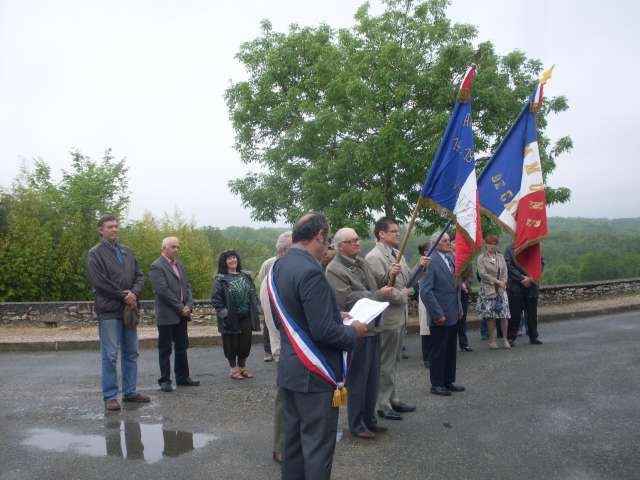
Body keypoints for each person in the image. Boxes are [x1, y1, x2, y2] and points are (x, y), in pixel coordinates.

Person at [269, 213, 366, 480]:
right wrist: (353, 331)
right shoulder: (312, 271)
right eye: (329, 238)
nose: (329, 245)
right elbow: (325, 333)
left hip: (290, 371)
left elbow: (286, 317)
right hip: (314, 375)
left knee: (294, 446)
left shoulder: (280, 265)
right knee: (317, 449)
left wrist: (335, 315)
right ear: (320, 235)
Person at [325, 227, 396, 439]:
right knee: (358, 380)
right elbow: (346, 300)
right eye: (352, 240)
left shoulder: (362, 262)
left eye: (357, 239)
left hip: (373, 327)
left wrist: (389, 276)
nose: (358, 242)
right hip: (356, 331)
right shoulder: (334, 270)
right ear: (340, 246)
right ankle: (356, 424)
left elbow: (377, 283)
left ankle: (370, 419)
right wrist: (377, 294)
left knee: (372, 379)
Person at [86, 214, 149, 411]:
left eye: (116, 226)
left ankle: (130, 392)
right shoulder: (95, 254)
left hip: (128, 310)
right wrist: (124, 296)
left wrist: (134, 293)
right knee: (111, 355)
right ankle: (110, 396)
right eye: (110, 226)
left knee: (131, 352)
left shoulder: (127, 251)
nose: (114, 229)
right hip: (109, 311)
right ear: (101, 230)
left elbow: (139, 275)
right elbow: (99, 282)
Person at [365, 217, 416, 419]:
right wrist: (403, 295)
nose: (398, 234)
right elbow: (379, 289)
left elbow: (407, 278)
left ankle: (393, 398)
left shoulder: (397, 254)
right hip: (387, 317)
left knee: (394, 360)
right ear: (381, 234)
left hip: (399, 316)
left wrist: (420, 268)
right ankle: (382, 403)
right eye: (393, 231)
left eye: (397, 231)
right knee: (385, 362)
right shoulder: (374, 257)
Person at [257, 231, 293, 464]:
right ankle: (280, 446)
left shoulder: (281, 271)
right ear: (283, 252)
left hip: (289, 347)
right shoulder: (277, 276)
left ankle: (287, 443)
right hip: (287, 348)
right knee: (286, 398)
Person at [148, 236, 200, 392]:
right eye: (173, 247)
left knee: (182, 347)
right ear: (164, 248)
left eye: (178, 247)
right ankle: (165, 380)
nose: (176, 250)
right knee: (165, 349)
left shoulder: (180, 265)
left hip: (182, 314)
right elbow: (162, 291)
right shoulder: (156, 266)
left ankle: (183, 377)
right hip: (167, 315)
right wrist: (180, 307)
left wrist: (189, 305)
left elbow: (187, 287)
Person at [420, 232, 464, 397]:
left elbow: (455, 288)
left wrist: (459, 307)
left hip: (453, 312)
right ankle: (437, 384)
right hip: (440, 316)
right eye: (444, 241)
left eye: (448, 240)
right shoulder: (430, 261)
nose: (448, 243)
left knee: (450, 350)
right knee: (438, 351)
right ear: (435, 243)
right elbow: (426, 292)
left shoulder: (450, 258)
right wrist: (437, 313)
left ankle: (448, 381)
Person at [211, 249, 261, 380]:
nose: (233, 260)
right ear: (224, 262)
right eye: (229, 259)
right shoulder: (220, 280)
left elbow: (253, 293)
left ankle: (242, 368)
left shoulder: (245, 276)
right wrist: (225, 313)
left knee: (246, 342)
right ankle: (233, 370)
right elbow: (216, 299)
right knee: (231, 343)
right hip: (230, 317)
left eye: (234, 258)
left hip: (246, 315)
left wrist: (256, 307)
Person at [257, 231, 293, 363]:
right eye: (294, 249)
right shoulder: (271, 277)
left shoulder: (289, 272)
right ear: (283, 251)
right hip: (285, 348)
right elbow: (273, 323)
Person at [476, 234, 511, 349]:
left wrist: (503, 282)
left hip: (501, 289)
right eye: (490, 244)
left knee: (504, 314)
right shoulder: (481, 258)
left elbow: (505, 271)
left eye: (494, 244)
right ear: (486, 244)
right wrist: (497, 281)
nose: (492, 246)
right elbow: (482, 274)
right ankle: (492, 340)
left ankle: (505, 339)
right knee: (491, 316)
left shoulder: (500, 257)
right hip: (488, 289)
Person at [505, 244, 544, 346]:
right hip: (516, 287)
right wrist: (521, 278)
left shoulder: (534, 247)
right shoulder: (509, 249)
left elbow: (541, 263)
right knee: (514, 314)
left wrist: (531, 279)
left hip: (532, 287)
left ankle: (533, 336)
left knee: (532, 314)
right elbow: (508, 266)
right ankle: (511, 337)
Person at [406, 241, 432, 368]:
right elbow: (413, 278)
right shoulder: (421, 263)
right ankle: (426, 357)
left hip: (435, 298)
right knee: (425, 328)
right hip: (425, 297)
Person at [451, 238, 474, 352]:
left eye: (457, 242)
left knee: (462, 317)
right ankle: (451, 344)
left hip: (464, 292)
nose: (456, 244)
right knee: (452, 318)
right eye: (454, 242)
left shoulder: (466, 257)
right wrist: (460, 284)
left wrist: (465, 284)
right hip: (452, 292)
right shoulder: (448, 257)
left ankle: (464, 343)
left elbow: (471, 275)